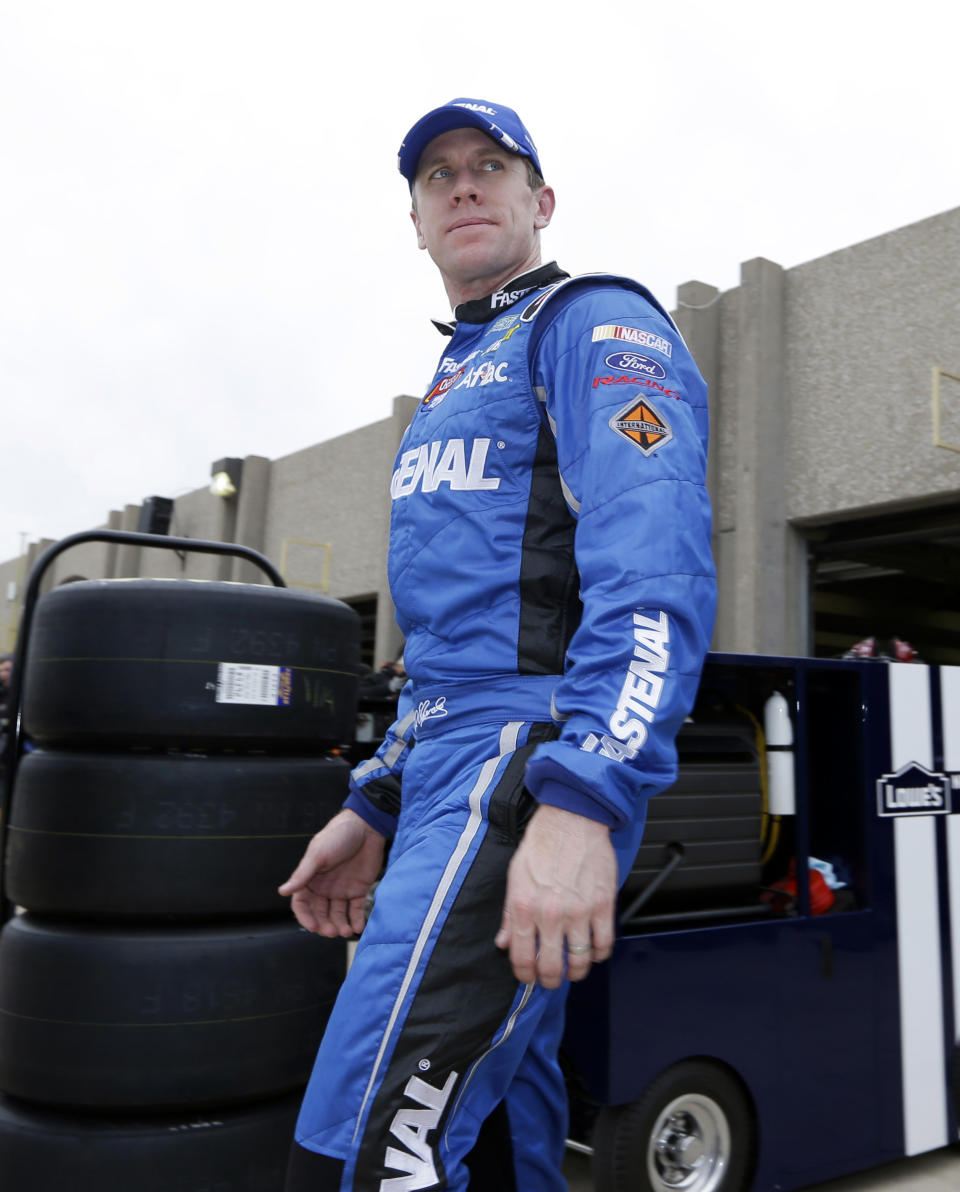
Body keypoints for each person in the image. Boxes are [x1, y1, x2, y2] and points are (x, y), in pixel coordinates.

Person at [279, 97, 716, 1192]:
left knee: (360, 1147)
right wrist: (376, 795)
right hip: (441, 775)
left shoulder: (593, 321)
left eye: (489, 166)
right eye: (437, 177)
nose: (462, 186)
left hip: (527, 771)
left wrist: (585, 799)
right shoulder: (450, 379)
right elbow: (451, 640)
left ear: (540, 201)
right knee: (508, 1143)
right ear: (417, 222)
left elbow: (652, 573)